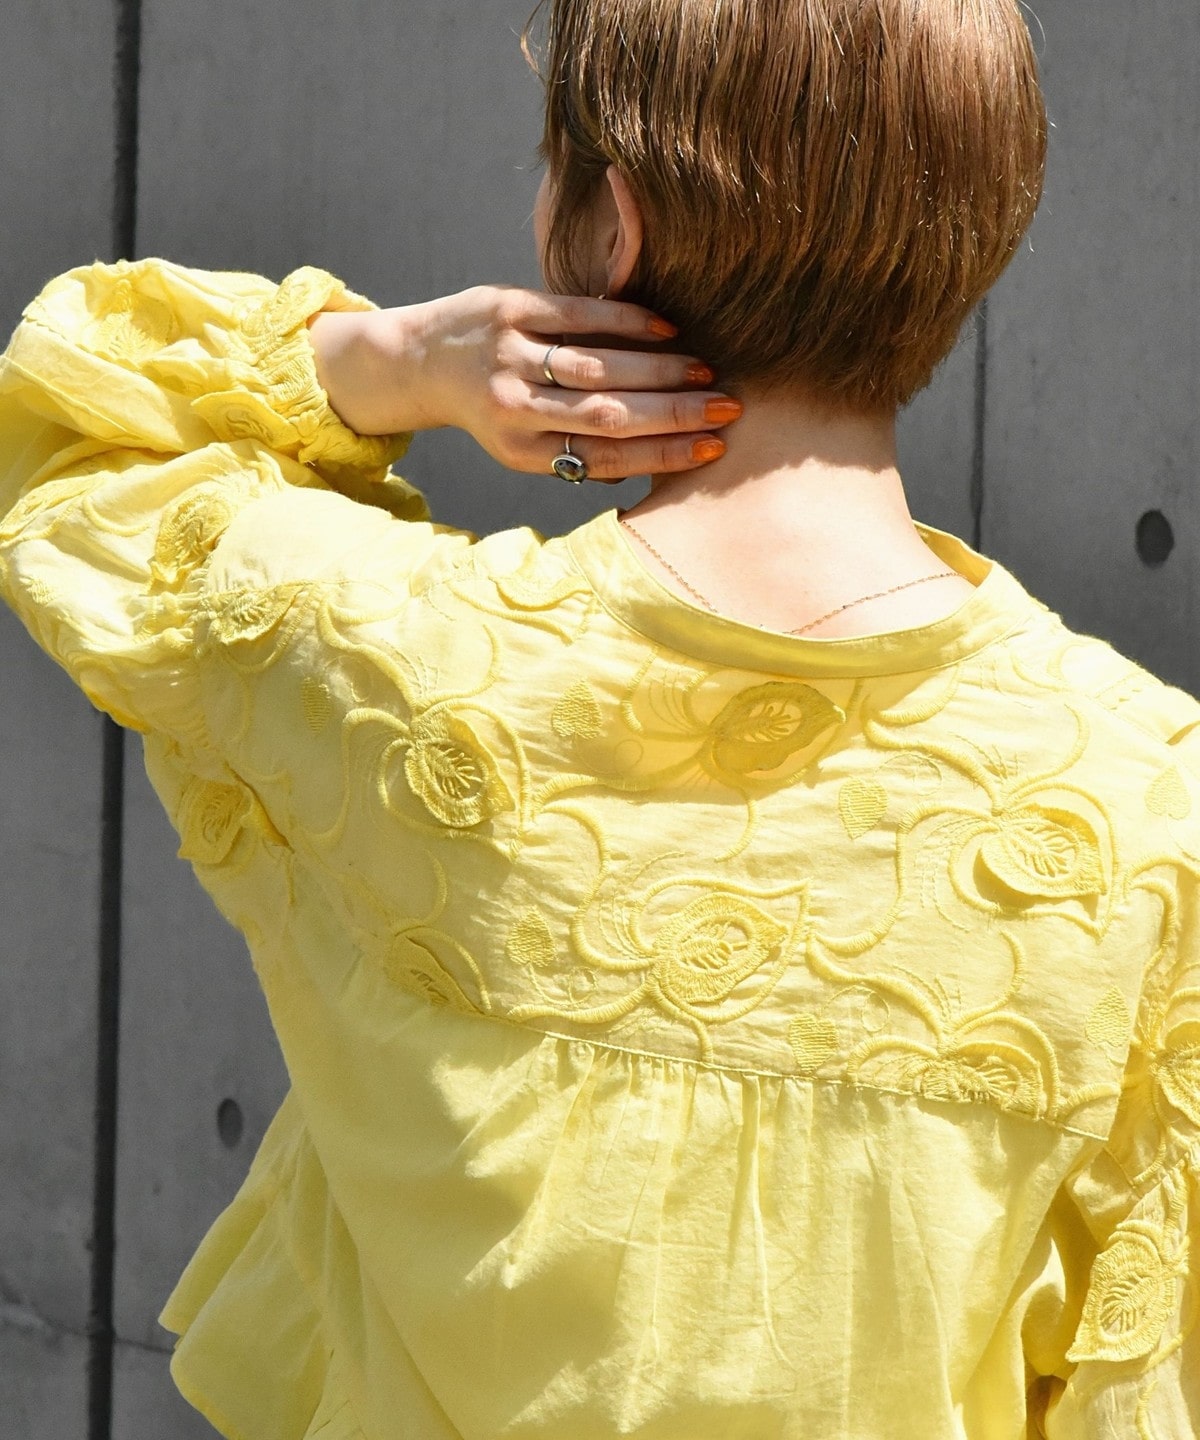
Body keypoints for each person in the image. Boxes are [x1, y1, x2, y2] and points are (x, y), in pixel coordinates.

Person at [1, 0, 1197, 1436]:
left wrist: (400, 359)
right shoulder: (1147, 800)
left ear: (614, 229)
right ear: (978, 235)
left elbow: (77, 433)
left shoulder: (404, 660)